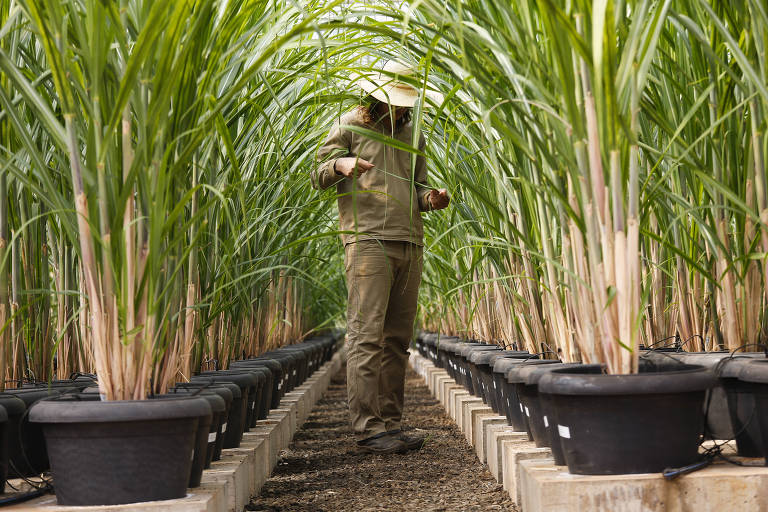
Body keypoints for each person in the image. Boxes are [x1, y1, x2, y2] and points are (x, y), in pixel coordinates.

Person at [312, 61, 449, 454]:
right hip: (367, 240)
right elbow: (318, 174)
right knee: (366, 335)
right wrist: (342, 164)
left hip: (410, 241)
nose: (402, 108)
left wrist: (433, 199)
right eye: (396, 100)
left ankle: (391, 423)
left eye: (407, 102)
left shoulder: (413, 133)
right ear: (377, 95)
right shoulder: (351, 125)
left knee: (397, 339)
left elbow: (419, 189)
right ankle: (369, 428)